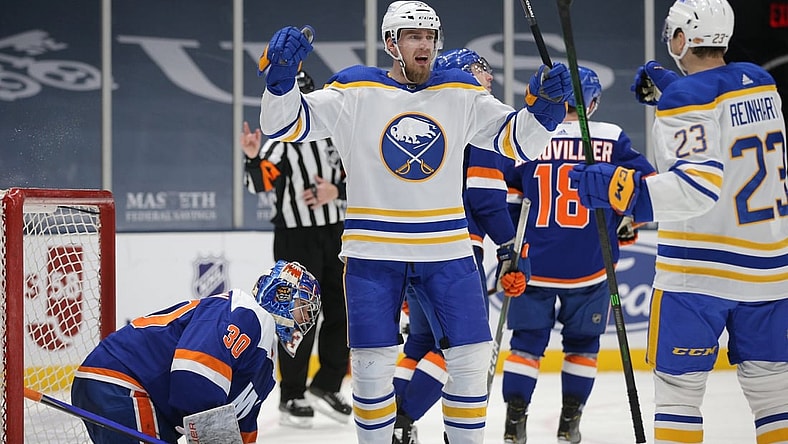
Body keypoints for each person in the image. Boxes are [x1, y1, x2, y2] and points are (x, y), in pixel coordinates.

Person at [257, 2, 572, 443]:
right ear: (392, 43)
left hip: (447, 250)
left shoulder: (461, 90)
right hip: (373, 254)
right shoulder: (354, 89)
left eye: (429, 37)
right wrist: (280, 81)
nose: (424, 44)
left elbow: (520, 142)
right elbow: (283, 124)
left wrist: (545, 111)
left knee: (471, 361)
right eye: (413, 36)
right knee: (371, 370)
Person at [570, 0, 788, 443]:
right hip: (770, 272)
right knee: (774, 396)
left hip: (698, 273)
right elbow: (728, 123)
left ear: (681, 38)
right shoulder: (762, 83)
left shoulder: (684, 100)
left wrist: (622, 190)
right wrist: (679, 86)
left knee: (678, 395)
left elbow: (697, 187)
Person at [500, 66, 655, 444]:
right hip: (591, 263)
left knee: (525, 344)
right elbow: (648, 187)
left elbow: (507, 197)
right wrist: (627, 220)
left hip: (533, 263)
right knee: (583, 345)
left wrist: (512, 248)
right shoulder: (611, 137)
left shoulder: (530, 134)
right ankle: (569, 423)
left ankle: (513, 423)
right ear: (594, 102)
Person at [391, 48, 524, 444]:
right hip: (454, 254)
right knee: (463, 349)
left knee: (421, 342)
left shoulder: (422, 118)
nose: (490, 79)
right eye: (481, 70)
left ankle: (391, 423)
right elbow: (485, 198)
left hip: (409, 248)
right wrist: (509, 247)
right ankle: (403, 419)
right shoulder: (475, 119)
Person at [70, 260, 322, 444]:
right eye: (303, 306)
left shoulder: (265, 365)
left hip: (144, 397)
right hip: (122, 379)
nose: (307, 318)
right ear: (280, 296)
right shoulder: (245, 313)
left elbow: (241, 426)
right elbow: (194, 374)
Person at [242, 69, 351, 427]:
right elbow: (259, 183)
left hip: (335, 231)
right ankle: (291, 394)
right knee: (297, 314)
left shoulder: (334, 135)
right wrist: (253, 158)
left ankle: (327, 384)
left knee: (342, 309)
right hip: (297, 235)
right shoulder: (280, 140)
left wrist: (336, 191)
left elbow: (360, 175)